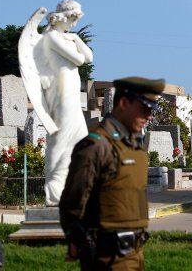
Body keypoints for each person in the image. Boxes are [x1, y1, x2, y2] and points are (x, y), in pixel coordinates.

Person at [59, 77, 165, 271]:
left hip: (134, 253)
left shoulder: (134, 148)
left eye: (151, 110)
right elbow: (72, 201)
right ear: (123, 103)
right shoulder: (96, 145)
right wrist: (74, 237)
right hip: (106, 256)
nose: (149, 116)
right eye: (144, 109)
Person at [41, 0, 93, 206]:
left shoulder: (68, 37)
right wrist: (73, 40)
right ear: (63, 16)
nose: (74, 23)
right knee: (60, 140)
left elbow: (88, 56)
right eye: (73, 19)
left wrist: (76, 38)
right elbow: (78, 60)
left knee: (80, 140)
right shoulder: (51, 37)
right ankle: (53, 192)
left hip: (71, 95)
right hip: (60, 95)